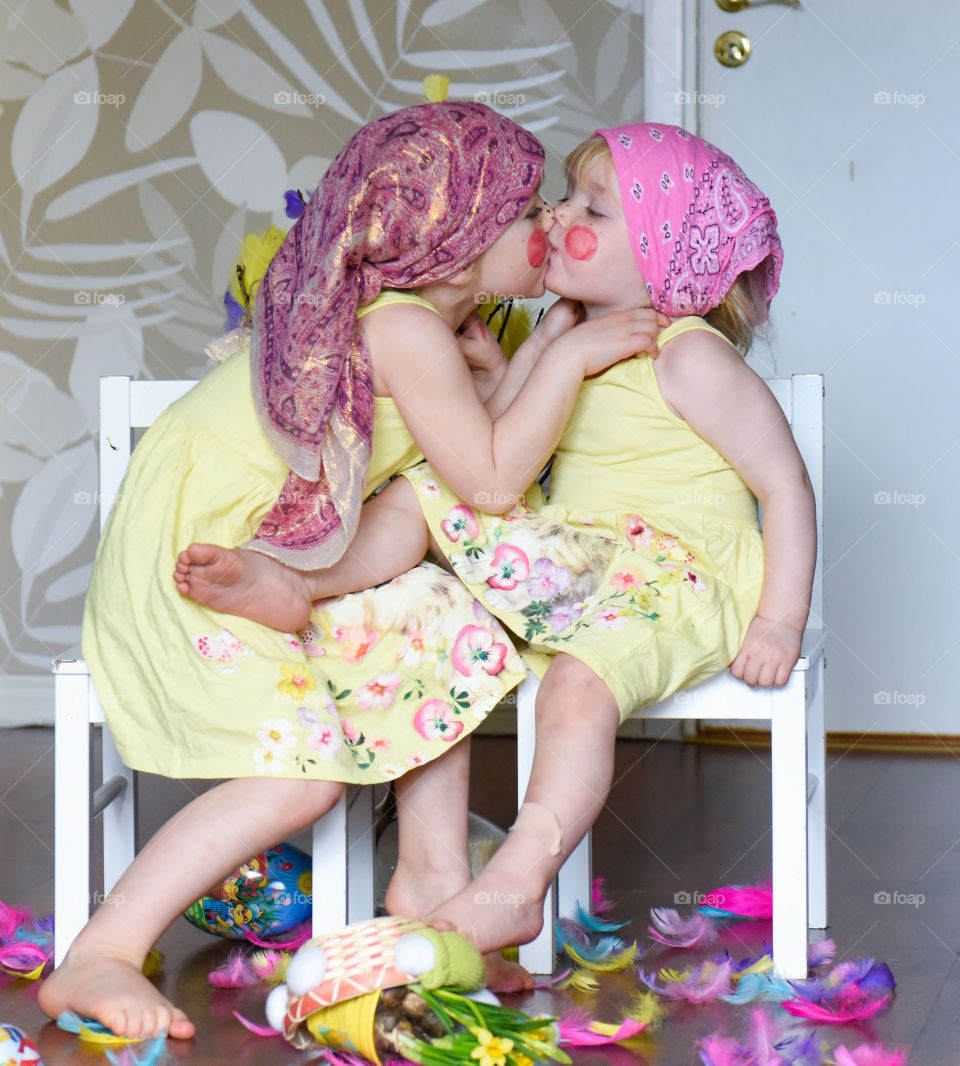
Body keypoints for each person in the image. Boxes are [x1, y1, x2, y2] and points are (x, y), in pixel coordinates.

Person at [38, 102, 666, 1039]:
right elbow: (493, 482)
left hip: (271, 542)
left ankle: (431, 879)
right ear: (456, 248)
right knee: (303, 783)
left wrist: (530, 357)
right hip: (202, 551)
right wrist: (567, 353)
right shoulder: (404, 330)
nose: (548, 227)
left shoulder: (421, 330)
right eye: (529, 211)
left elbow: (465, 459)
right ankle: (102, 950)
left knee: (441, 617)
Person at [345, 121, 817, 954]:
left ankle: (519, 881)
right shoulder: (562, 330)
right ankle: (427, 859)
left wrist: (779, 621)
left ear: (665, 257)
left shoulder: (687, 357)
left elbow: (785, 486)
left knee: (574, 688)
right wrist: (504, 375)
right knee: (427, 587)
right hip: (579, 561)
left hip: (679, 576)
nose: (556, 216)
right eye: (564, 195)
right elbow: (491, 469)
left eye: (591, 206)